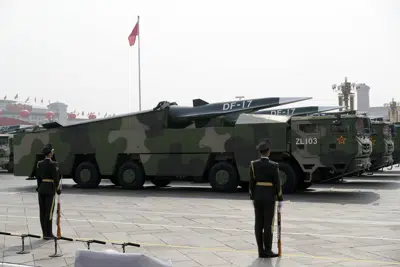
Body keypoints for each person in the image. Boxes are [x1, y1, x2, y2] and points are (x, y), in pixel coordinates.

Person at [249, 140, 283, 258]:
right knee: (268, 224)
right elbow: (277, 183)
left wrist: (252, 197)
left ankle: (260, 250)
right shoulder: (274, 165)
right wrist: (280, 198)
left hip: (257, 196)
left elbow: (251, 183)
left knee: (258, 223)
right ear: (268, 152)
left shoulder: (253, 164)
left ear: (260, 152)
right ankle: (267, 250)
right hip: (269, 197)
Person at [36, 144, 61, 239]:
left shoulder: (39, 164)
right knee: (49, 212)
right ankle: (49, 233)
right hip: (50, 189)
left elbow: (38, 178)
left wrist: (39, 188)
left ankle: (44, 233)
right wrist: (58, 189)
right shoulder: (54, 164)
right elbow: (56, 178)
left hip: (41, 188)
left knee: (42, 212)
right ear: (50, 154)